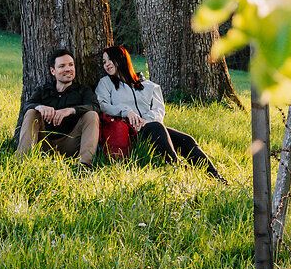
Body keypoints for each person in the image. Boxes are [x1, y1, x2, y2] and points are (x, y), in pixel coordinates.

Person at [96, 44, 222, 178]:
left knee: (186, 140)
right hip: (129, 131)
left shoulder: (148, 85)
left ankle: (215, 176)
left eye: (110, 59)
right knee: (156, 127)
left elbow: (159, 109)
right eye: (104, 62)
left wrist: (146, 121)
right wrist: (126, 111)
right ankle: (176, 167)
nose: (107, 64)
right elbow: (103, 105)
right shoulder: (106, 83)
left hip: (150, 128)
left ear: (121, 58)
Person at [16, 48, 100, 170]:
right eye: (62, 66)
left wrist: (70, 110)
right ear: (53, 71)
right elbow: (27, 105)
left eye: (71, 65)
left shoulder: (83, 90)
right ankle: (21, 163)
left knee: (92, 115)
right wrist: (40, 107)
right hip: (44, 143)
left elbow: (95, 106)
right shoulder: (43, 90)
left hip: (71, 144)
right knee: (31, 112)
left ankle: (84, 166)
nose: (68, 69)